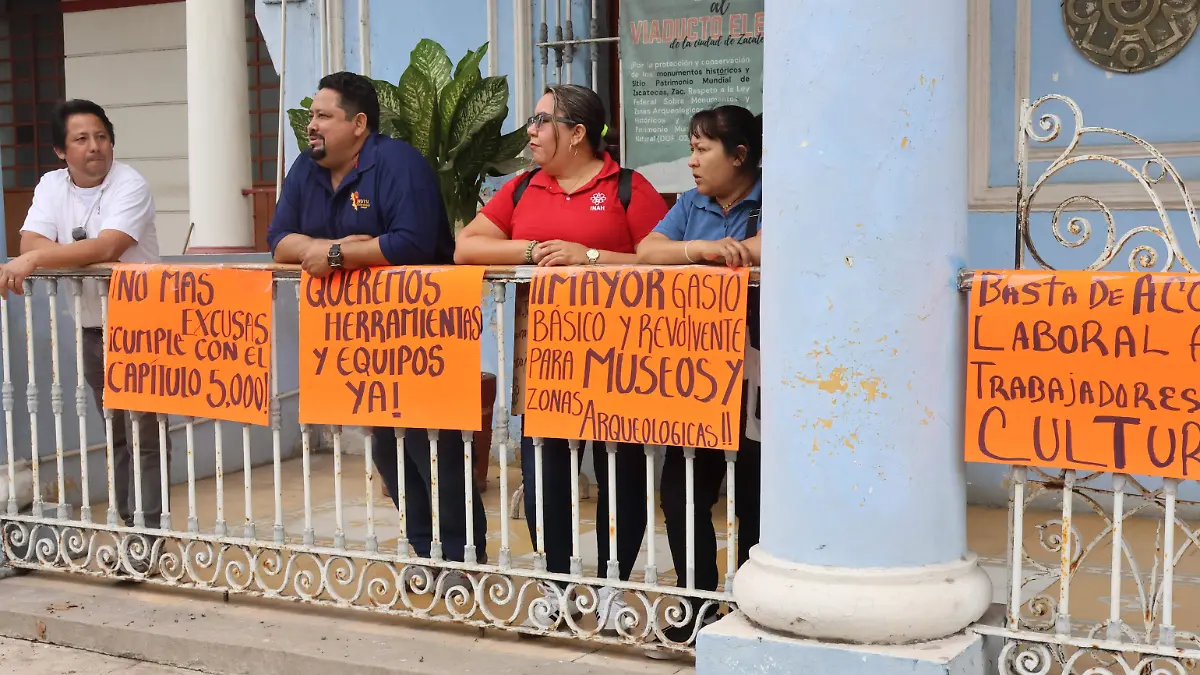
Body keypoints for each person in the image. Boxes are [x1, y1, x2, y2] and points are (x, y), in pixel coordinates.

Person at [455, 84, 668, 623]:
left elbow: (661, 261)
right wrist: (533, 251)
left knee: (620, 472)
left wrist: (588, 256)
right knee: (545, 472)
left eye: (541, 120)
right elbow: (467, 247)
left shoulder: (627, 187)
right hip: (546, 360)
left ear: (577, 133)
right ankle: (556, 586)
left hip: (621, 356)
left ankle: (613, 586)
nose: (530, 131)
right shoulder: (523, 187)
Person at [268, 71, 486, 565]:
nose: (312, 125)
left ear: (359, 123)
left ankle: (463, 557)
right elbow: (279, 240)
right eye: (311, 115)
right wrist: (339, 247)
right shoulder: (305, 167)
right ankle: (425, 552)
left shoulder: (398, 164)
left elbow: (412, 242)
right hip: (361, 341)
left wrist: (337, 255)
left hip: (422, 332)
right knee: (388, 452)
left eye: (324, 116)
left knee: (435, 450)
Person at [0, 100, 169, 548]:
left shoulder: (129, 183)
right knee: (115, 429)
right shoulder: (51, 185)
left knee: (145, 434)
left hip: (143, 322)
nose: (95, 147)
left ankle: (150, 533)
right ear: (61, 151)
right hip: (94, 324)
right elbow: (29, 240)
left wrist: (39, 258)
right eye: (81, 139)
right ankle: (128, 526)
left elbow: (108, 246)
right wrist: (41, 253)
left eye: (101, 137)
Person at [636, 105, 763, 651]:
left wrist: (741, 252)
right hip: (697, 372)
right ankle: (696, 601)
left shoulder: (774, 196)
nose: (691, 161)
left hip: (759, 374)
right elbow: (647, 251)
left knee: (754, 493)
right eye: (691, 149)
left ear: (739, 156)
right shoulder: (691, 204)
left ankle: (755, 605)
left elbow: (783, 243)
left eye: (702, 149)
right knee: (682, 490)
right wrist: (703, 250)